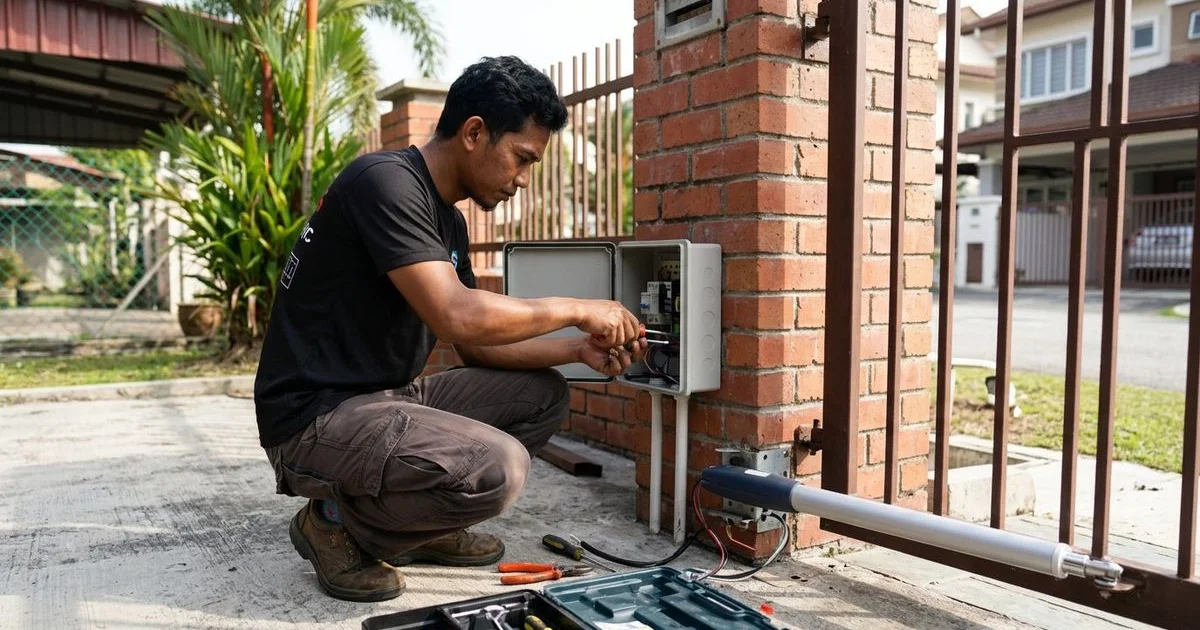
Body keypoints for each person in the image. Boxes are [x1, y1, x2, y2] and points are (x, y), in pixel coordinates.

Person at [253, 55, 648, 603]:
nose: (523, 180)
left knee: (541, 397)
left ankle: (417, 528)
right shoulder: (384, 183)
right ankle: (333, 524)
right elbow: (456, 314)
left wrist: (577, 349)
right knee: (497, 468)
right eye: (521, 158)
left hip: (387, 399)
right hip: (314, 415)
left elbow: (473, 345)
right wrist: (578, 308)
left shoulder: (449, 220)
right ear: (474, 132)